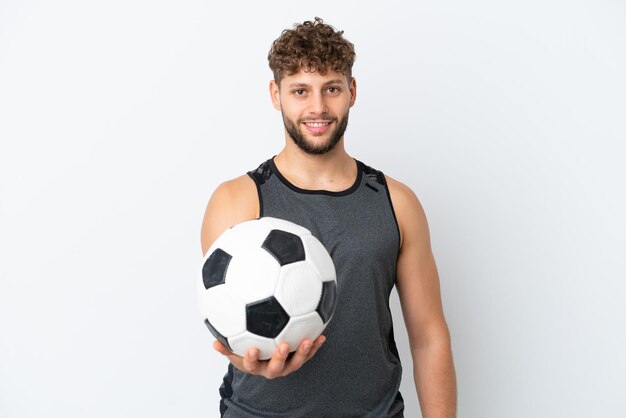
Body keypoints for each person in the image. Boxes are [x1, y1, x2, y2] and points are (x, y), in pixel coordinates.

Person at [200, 17, 456, 418]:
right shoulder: (237, 201)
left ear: (351, 92)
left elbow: (428, 336)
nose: (317, 107)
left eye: (331, 89)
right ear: (275, 94)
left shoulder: (397, 202)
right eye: (300, 90)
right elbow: (229, 326)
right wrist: (244, 360)